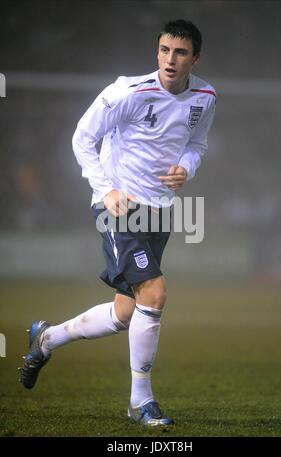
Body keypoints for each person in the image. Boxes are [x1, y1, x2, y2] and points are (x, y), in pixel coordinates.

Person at [19, 19, 216, 427]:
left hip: (159, 209)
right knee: (155, 294)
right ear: (156, 52)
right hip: (119, 206)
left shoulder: (206, 97)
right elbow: (81, 138)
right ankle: (140, 401)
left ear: (195, 58)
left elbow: (197, 144)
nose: (170, 59)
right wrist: (106, 187)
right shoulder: (127, 91)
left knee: (128, 313)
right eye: (164, 50)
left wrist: (186, 168)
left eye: (180, 52)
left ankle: (45, 338)